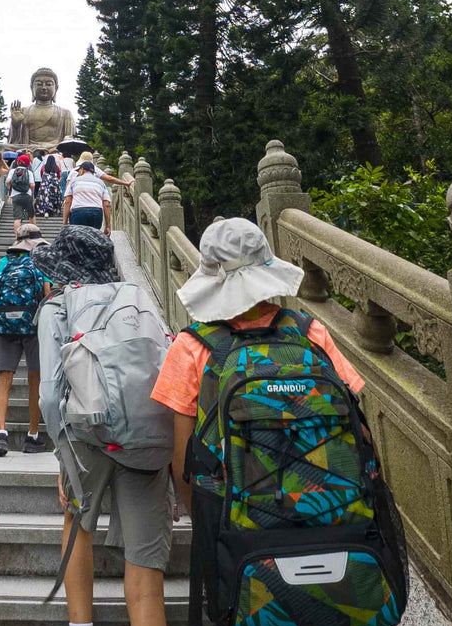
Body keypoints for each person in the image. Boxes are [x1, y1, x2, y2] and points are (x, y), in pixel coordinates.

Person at [150, 216, 367, 519]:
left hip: (239, 525)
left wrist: (203, 522)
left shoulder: (191, 346)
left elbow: (183, 457)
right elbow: (358, 426)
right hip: (334, 515)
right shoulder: (309, 332)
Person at [38, 225, 168, 626]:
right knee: (145, 559)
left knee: (78, 525)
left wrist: (63, 457)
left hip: (85, 435)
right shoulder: (137, 299)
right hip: (146, 435)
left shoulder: (58, 306)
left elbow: (49, 395)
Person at [0, 223, 50, 457]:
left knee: (4, 378)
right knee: (35, 379)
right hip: (33, 326)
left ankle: (0, 433)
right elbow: (47, 295)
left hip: (4, 327)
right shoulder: (40, 263)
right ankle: (32, 436)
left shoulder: (5, 262)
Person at [61, 161, 111, 235]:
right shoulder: (101, 183)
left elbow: (68, 201)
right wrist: (108, 226)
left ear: (82, 170)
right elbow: (106, 204)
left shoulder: (73, 181)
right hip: (96, 213)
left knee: (77, 238)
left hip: (78, 212)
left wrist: (65, 223)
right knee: (93, 238)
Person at [8, 153, 37, 237]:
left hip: (16, 196)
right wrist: (32, 194)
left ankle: (17, 237)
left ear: (18, 162)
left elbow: (7, 181)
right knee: (31, 216)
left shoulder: (12, 171)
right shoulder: (29, 172)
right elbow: (32, 185)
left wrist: (10, 190)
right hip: (27, 195)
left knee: (17, 218)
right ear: (28, 164)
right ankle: (33, 235)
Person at [36, 149, 64, 217]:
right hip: (54, 185)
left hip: (44, 184)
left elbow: (41, 175)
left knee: (44, 197)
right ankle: (54, 210)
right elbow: (59, 176)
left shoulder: (43, 167)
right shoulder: (56, 167)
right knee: (55, 197)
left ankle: (45, 210)